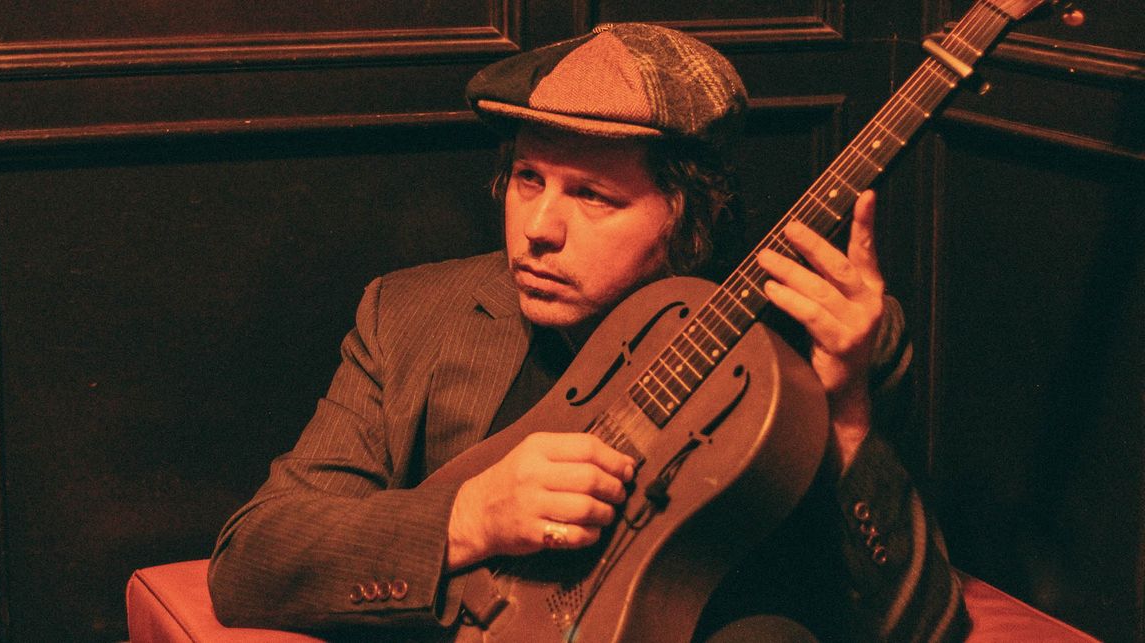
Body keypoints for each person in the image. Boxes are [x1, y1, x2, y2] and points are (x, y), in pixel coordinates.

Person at [208, 23, 970, 642]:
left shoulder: (823, 336)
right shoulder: (409, 315)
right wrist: (471, 515)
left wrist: (846, 412)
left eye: (595, 196)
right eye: (528, 178)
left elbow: (924, 625)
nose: (537, 228)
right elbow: (251, 558)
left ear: (686, 218)